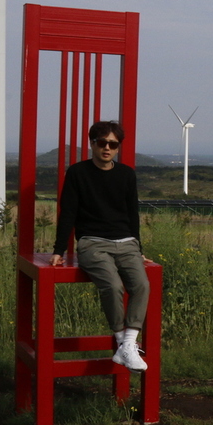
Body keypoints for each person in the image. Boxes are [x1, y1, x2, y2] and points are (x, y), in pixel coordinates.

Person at [50, 121, 150, 373]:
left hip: (126, 242)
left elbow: (132, 213)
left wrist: (138, 247)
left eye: (113, 144)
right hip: (92, 242)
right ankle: (123, 344)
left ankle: (127, 345)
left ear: (118, 147)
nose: (107, 147)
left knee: (141, 285)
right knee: (113, 285)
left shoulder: (127, 174)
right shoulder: (77, 173)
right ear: (92, 143)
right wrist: (58, 251)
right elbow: (68, 213)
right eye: (102, 142)